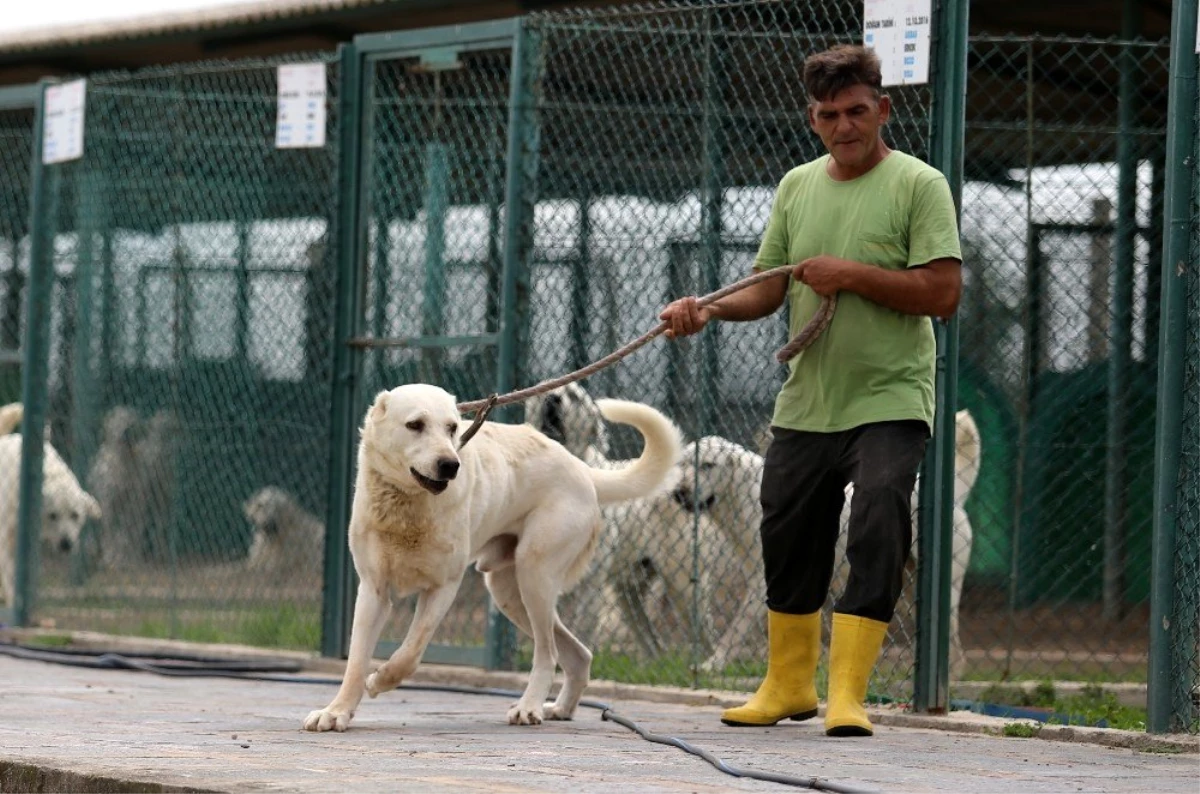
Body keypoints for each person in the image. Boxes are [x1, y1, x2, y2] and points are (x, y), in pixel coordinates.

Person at [659, 44, 962, 737]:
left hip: (890, 395)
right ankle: (790, 685)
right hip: (807, 401)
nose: (844, 125)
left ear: (883, 110)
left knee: (880, 513)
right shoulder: (797, 187)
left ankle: (849, 693)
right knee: (788, 531)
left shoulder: (920, 185)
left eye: (857, 111)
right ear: (812, 119)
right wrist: (705, 309)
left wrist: (850, 274)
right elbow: (768, 287)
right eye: (829, 115)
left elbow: (943, 293)